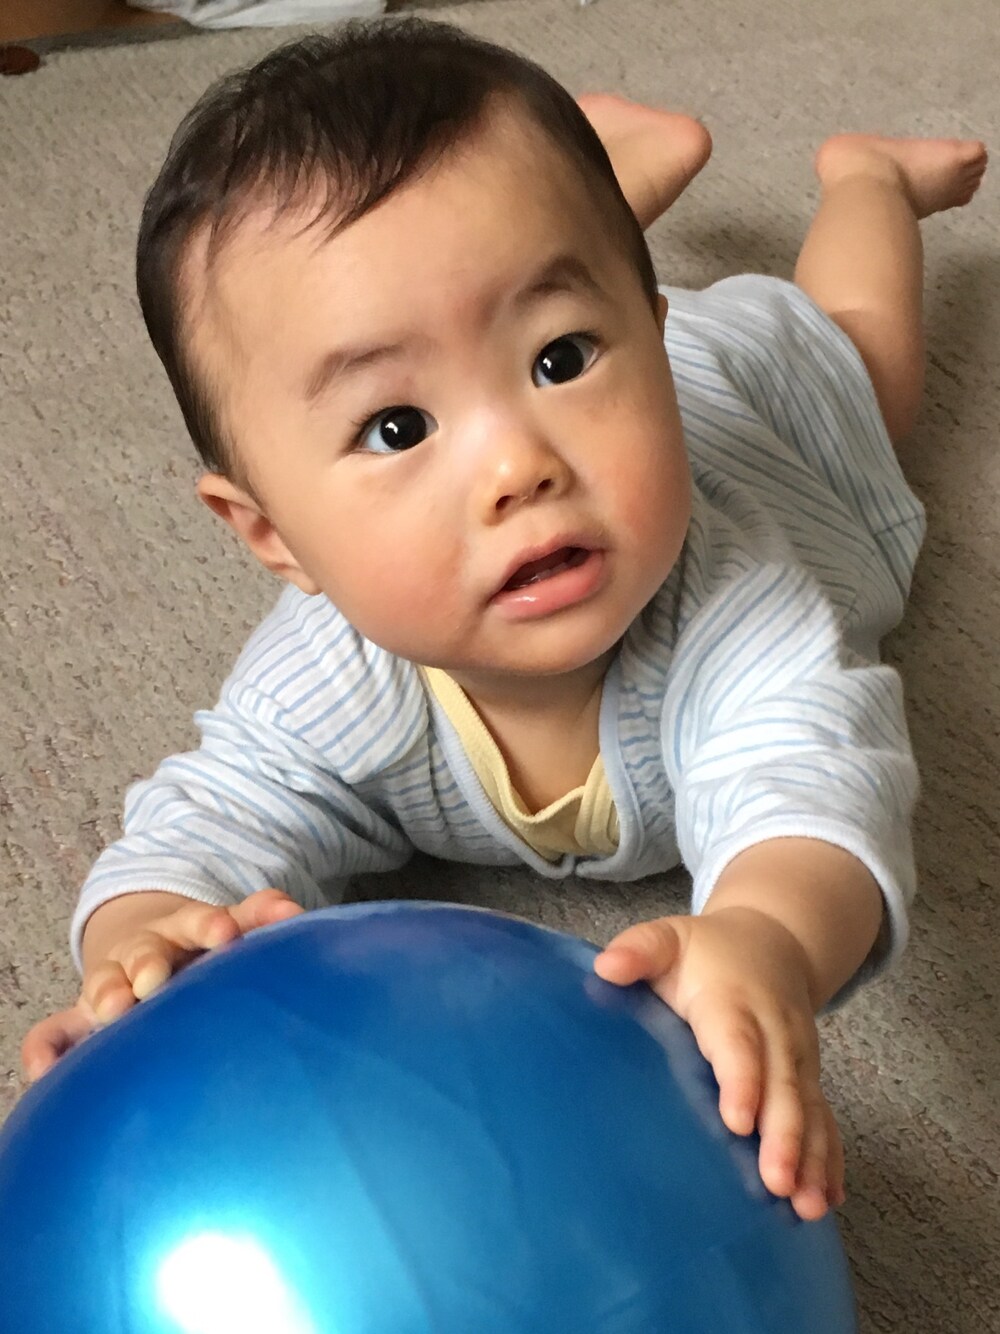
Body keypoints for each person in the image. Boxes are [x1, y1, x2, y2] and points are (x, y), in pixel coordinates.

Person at [21, 17, 987, 1223]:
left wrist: (767, 934)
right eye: (397, 427)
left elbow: (813, 782)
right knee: (488, 273)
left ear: (646, 334)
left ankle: (866, 181)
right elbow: (206, 817)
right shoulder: (331, 676)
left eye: (563, 357)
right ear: (271, 535)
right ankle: (589, 211)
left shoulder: (742, 606)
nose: (516, 465)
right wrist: (145, 937)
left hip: (759, 406)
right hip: (609, 322)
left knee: (870, 359)